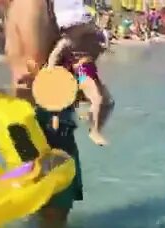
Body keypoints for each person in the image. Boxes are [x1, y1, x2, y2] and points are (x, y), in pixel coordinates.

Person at [3, 0, 83, 228]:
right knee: (43, 212)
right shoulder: (20, 6)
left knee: (50, 217)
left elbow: (35, 69)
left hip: (46, 120)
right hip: (34, 119)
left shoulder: (28, 4)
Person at [47, 0, 114, 146]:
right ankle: (94, 131)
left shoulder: (84, 37)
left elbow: (54, 57)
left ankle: (87, 119)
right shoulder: (71, 40)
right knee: (97, 99)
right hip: (81, 71)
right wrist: (49, 73)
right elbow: (54, 57)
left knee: (107, 102)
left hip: (83, 71)